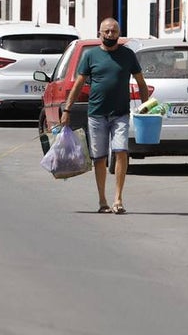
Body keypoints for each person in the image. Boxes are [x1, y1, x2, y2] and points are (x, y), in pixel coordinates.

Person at [60, 17, 149, 215]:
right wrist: (67, 109)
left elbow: (141, 82)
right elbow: (78, 84)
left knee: (121, 152)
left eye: (114, 31)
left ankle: (118, 199)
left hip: (120, 114)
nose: (110, 34)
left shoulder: (128, 55)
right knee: (99, 158)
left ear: (119, 33)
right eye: (107, 31)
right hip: (96, 115)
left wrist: (146, 107)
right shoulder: (91, 56)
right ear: (100, 33)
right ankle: (102, 200)